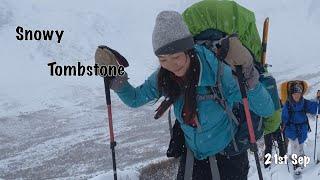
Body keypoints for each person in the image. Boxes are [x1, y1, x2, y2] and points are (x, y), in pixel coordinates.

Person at [95, 11, 274, 180]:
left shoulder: (218, 73)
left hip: (228, 157)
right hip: (193, 157)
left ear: (188, 49)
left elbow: (266, 108)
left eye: (176, 57)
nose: (171, 65)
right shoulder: (165, 76)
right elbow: (135, 98)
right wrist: (115, 77)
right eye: (163, 59)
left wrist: (249, 73)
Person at [282, 83, 320, 174]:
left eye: (298, 94)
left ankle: (300, 155)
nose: (297, 96)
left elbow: (314, 107)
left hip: (302, 127)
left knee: (301, 144)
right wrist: (283, 125)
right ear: (291, 95)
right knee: (295, 145)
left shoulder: (304, 102)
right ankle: (296, 165)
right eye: (295, 94)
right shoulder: (287, 104)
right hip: (291, 128)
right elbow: (284, 116)